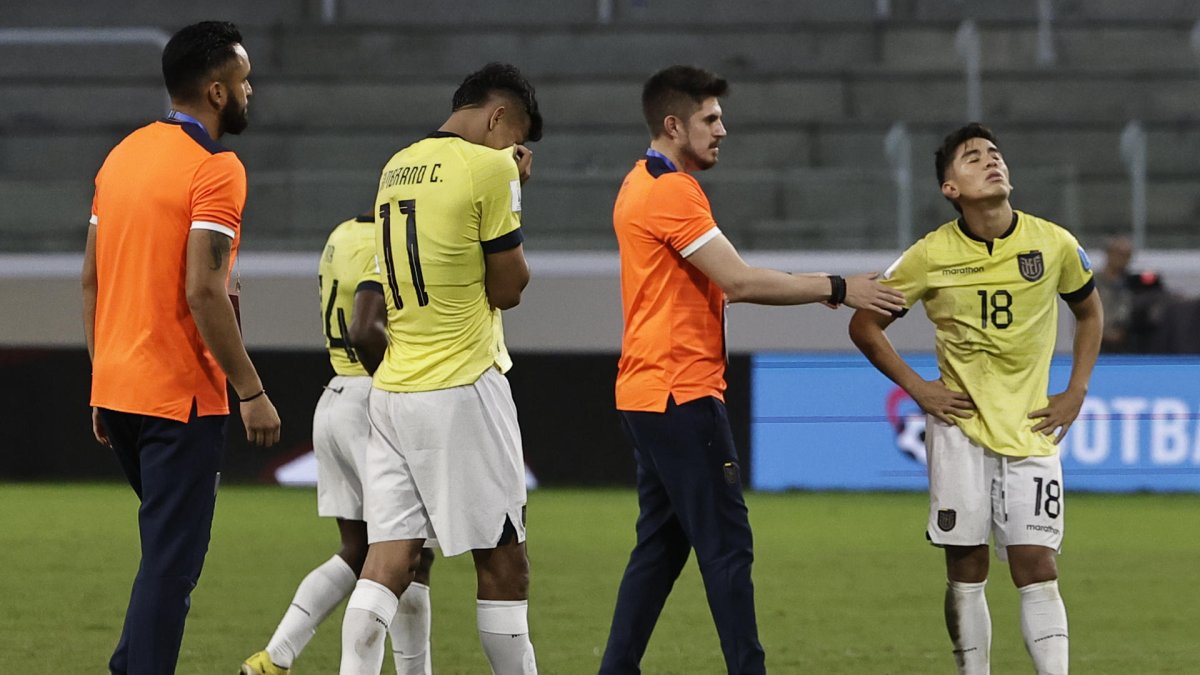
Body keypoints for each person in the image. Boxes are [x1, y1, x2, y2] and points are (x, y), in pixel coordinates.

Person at [598, 65, 905, 675]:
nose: (722, 130)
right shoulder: (673, 191)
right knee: (727, 548)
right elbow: (737, 281)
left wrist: (812, 286)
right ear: (673, 125)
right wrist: (839, 286)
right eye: (710, 119)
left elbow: (720, 284)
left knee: (660, 549)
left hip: (645, 393)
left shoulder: (637, 183)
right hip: (682, 393)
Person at [848, 123, 1103, 675]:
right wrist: (918, 388)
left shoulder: (1054, 243)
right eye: (972, 158)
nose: (991, 161)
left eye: (994, 153)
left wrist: (1076, 390)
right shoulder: (929, 254)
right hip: (960, 429)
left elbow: (1089, 312)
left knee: (1037, 565)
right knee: (966, 565)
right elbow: (864, 324)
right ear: (951, 189)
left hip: (1031, 426)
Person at [82, 21, 281, 675]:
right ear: (217, 91)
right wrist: (250, 389)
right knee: (173, 567)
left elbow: (91, 279)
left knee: (162, 556)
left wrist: (101, 379)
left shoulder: (121, 157)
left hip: (119, 389)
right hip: (180, 399)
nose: (251, 91)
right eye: (245, 81)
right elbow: (204, 289)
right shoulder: (217, 169)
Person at [339, 63, 541, 674]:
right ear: (498, 116)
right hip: (463, 385)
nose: (514, 153)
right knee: (503, 562)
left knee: (386, 562)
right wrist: (513, 186)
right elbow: (509, 289)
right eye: (514, 139)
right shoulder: (488, 168)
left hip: (394, 391)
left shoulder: (395, 166)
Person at [241, 213, 435, 675]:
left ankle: (275, 656)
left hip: (334, 398)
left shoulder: (341, 234)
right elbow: (369, 326)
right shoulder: (390, 238)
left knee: (359, 549)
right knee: (412, 553)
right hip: (372, 398)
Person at [1094, 236, 1134, 352]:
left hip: (1128, 342)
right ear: (1108, 254)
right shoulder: (1093, 283)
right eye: (1119, 254)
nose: (1123, 259)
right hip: (1097, 341)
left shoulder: (1132, 283)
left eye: (1127, 255)